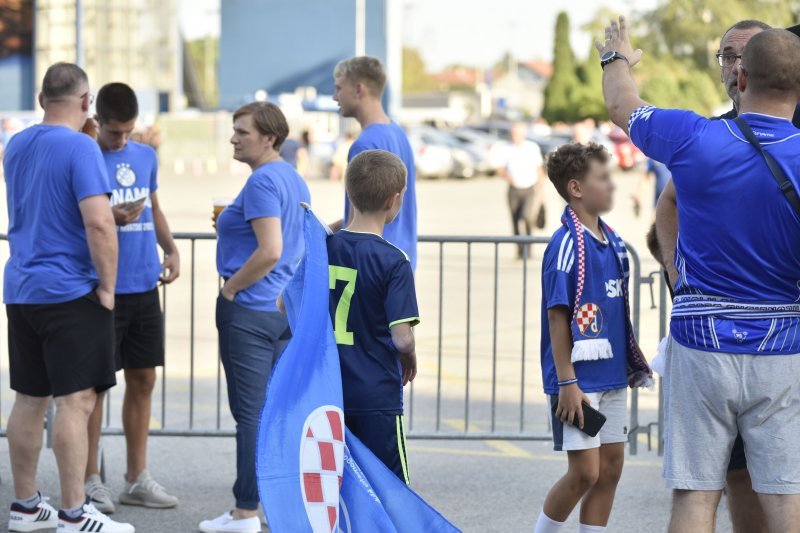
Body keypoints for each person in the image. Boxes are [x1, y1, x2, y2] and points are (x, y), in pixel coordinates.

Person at [598, 18, 800, 532]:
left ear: (741, 80)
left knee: (694, 496)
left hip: (700, 341)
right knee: (785, 498)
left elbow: (622, 104)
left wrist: (616, 57)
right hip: (782, 347)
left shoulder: (694, 137)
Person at [4, 63, 134, 532]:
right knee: (75, 403)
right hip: (69, 289)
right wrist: (107, 287)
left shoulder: (16, 143)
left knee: (29, 399)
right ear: (86, 103)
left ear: (41, 100)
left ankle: (25, 506)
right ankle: (76, 513)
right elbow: (98, 222)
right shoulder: (81, 146)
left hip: (22, 288)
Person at [200, 102, 310, 533]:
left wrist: (231, 288)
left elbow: (271, 250)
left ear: (270, 138)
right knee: (275, 413)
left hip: (251, 309)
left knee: (252, 415)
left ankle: (246, 511)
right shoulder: (293, 178)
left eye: (242, 131)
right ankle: (271, 506)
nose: (233, 138)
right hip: (281, 310)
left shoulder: (264, 181)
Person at [534, 142, 651, 533]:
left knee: (610, 469)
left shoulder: (614, 243)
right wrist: (567, 382)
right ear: (576, 188)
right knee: (584, 472)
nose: (612, 186)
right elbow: (557, 317)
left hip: (612, 377)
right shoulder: (566, 245)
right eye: (603, 178)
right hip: (579, 384)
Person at [81, 82, 181, 513]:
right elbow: (78, 218)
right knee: (94, 390)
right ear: (97, 121)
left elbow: (154, 207)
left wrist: (172, 247)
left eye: (127, 132)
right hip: (101, 288)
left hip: (143, 285)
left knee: (143, 381)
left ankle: (135, 478)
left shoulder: (145, 156)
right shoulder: (83, 155)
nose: (121, 140)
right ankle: (89, 480)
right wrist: (110, 218)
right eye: (113, 132)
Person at [327, 149, 419, 482]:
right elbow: (401, 335)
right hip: (376, 393)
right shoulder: (393, 260)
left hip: (330, 389)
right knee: (389, 488)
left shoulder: (325, 246)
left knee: (340, 486)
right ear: (395, 200)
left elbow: (283, 305)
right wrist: (409, 354)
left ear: (349, 193)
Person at [331, 56, 418, 270]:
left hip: (369, 267)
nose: (335, 97)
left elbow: (358, 221)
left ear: (359, 89)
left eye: (339, 88)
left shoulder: (365, 145)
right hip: (398, 261)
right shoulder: (398, 133)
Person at [498, 122, 545, 258]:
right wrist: (508, 177)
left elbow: (539, 170)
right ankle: (519, 250)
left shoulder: (531, 148)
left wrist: (541, 191)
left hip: (529, 188)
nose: (515, 136)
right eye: (513, 134)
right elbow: (500, 168)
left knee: (526, 217)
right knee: (515, 220)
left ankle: (528, 247)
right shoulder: (506, 148)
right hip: (513, 189)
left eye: (518, 134)